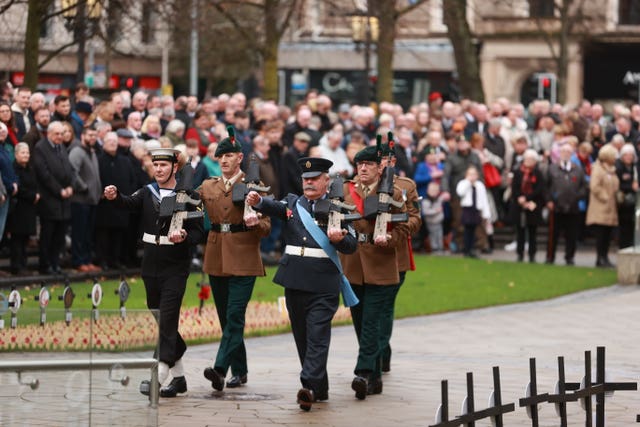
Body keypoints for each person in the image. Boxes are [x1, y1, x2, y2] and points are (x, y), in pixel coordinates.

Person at [246, 157, 357, 411]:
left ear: (326, 181)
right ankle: (320, 387)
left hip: (323, 282)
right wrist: (258, 202)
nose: (308, 183)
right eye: (305, 180)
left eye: (314, 179)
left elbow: (351, 246)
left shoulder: (338, 207)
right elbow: (274, 207)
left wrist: (339, 239)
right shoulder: (293, 203)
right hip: (294, 279)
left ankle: (307, 385)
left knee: (317, 336)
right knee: (303, 338)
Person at [103, 147, 204, 398]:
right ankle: (179, 379)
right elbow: (128, 203)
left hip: (176, 265)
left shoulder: (189, 195)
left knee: (167, 318)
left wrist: (184, 235)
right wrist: (115, 196)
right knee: (163, 320)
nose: (158, 170)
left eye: (163, 166)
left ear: (174, 168)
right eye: (155, 166)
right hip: (151, 264)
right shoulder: (147, 192)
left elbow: (200, 232)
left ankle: (157, 376)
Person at [199, 130, 271, 392]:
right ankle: (240, 371)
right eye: (221, 157)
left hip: (244, 255)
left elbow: (266, 226)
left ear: (240, 157)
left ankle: (220, 369)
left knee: (234, 315)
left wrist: (255, 222)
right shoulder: (209, 185)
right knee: (225, 318)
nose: (224, 160)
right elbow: (190, 208)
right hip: (216, 254)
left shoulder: (254, 186)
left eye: (229, 155)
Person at [340, 145, 409, 400]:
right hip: (354, 263)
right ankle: (375, 378)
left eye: (368, 164)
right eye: (360, 165)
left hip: (381, 264)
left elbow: (406, 227)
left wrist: (389, 238)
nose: (363, 169)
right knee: (359, 321)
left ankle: (363, 373)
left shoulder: (393, 192)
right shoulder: (348, 191)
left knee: (371, 321)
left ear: (378, 167)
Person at [33, 121, 77, 274]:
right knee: (48, 235)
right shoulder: (40, 148)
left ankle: (55, 263)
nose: (60, 137)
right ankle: (45, 265)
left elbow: (70, 170)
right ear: (49, 133)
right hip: (49, 200)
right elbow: (44, 174)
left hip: (64, 201)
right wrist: (60, 190)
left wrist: (71, 186)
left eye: (62, 133)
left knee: (59, 236)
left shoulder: (61, 148)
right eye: (57, 134)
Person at [68, 125, 102, 272]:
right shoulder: (77, 151)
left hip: (92, 201)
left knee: (88, 234)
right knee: (79, 233)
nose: (92, 138)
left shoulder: (92, 152)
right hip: (80, 200)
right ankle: (78, 261)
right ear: (82, 136)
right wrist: (83, 188)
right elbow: (72, 173)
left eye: (94, 135)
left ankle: (87, 260)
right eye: (89, 135)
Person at [546, 144, 587, 265]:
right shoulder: (552, 168)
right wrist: (549, 200)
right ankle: (550, 256)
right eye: (563, 151)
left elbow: (584, 187)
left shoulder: (578, 169)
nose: (565, 154)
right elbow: (546, 186)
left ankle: (569, 257)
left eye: (568, 152)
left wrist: (577, 197)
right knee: (554, 233)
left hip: (573, 207)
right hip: (556, 206)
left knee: (571, 234)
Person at [509, 149, 545, 263]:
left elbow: (539, 189)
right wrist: (520, 198)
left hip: (533, 205)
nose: (528, 161)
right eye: (527, 158)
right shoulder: (518, 172)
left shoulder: (538, 173)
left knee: (532, 232)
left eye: (531, 159)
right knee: (520, 231)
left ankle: (532, 254)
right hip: (519, 205)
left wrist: (528, 199)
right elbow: (514, 188)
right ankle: (520, 253)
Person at [586, 144, 620, 267]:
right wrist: (605, 196)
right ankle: (600, 258)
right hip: (600, 207)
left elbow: (615, 185)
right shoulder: (598, 169)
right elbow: (594, 186)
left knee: (607, 235)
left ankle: (605, 257)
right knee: (601, 235)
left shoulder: (612, 169)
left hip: (611, 207)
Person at [8, 142, 38, 275]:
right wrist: (32, 196)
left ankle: (23, 265)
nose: (26, 155)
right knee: (17, 239)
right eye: (23, 153)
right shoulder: (13, 168)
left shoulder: (30, 168)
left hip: (29, 208)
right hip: (18, 208)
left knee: (25, 238)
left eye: (27, 152)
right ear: (16, 154)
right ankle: (17, 266)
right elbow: (18, 188)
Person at [457, 166, 491, 258]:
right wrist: (468, 182)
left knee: (474, 230)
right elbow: (460, 192)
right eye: (470, 174)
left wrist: (486, 213)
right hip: (467, 209)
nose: (472, 176)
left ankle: (472, 249)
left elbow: (484, 200)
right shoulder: (463, 183)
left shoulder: (480, 185)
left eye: (474, 174)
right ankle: (466, 249)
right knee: (467, 230)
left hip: (476, 210)